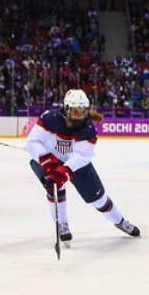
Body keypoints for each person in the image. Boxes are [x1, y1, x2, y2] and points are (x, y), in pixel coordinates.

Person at [26, 89, 140, 247]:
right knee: (53, 187)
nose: (80, 114)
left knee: (99, 200)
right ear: (66, 108)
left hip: (75, 164)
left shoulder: (88, 130)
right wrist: (45, 158)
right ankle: (62, 225)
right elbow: (32, 142)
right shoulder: (49, 118)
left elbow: (81, 157)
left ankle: (120, 221)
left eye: (83, 111)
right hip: (48, 158)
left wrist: (64, 170)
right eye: (75, 111)